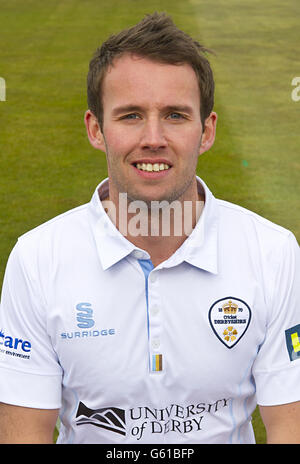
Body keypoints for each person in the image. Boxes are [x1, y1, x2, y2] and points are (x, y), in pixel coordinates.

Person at [0, 12, 299, 445]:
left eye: (176, 115)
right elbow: (24, 433)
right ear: (96, 129)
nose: (153, 138)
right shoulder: (37, 259)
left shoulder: (273, 252)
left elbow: (290, 424)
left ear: (207, 130)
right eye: (131, 116)